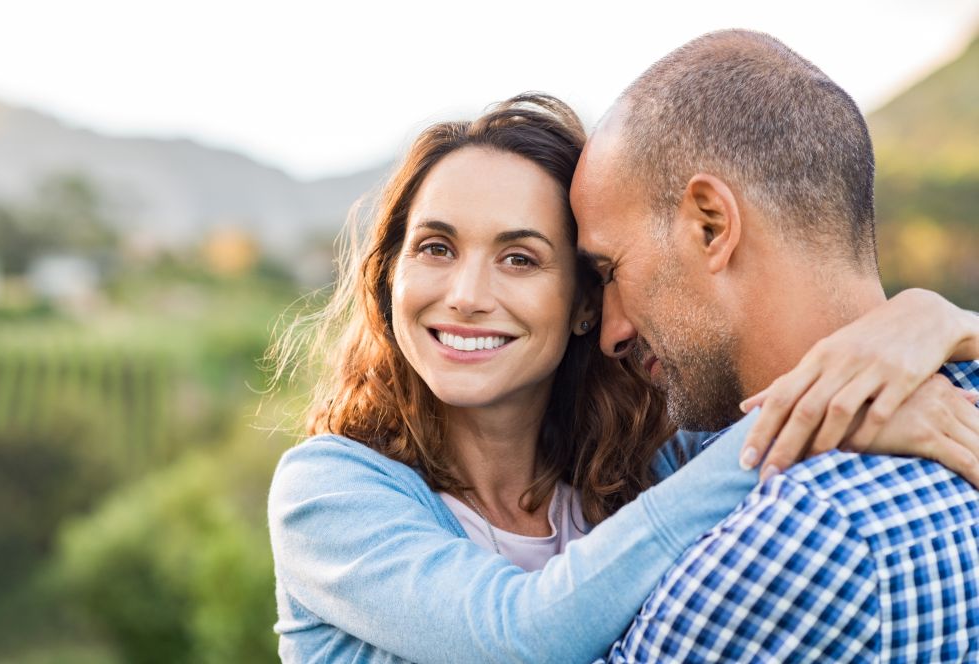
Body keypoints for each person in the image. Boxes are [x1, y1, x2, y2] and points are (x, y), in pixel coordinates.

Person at [267, 94, 979, 663]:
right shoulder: (330, 493)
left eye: (519, 258)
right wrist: (813, 412)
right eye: (435, 247)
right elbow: (516, 634)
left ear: (584, 303)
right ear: (390, 273)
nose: (464, 293)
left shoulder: (647, 463)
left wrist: (928, 319)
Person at [568, 30, 979, 662]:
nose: (612, 330)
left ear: (711, 225)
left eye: (611, 272)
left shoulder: (792, 536)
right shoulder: (965, 390)